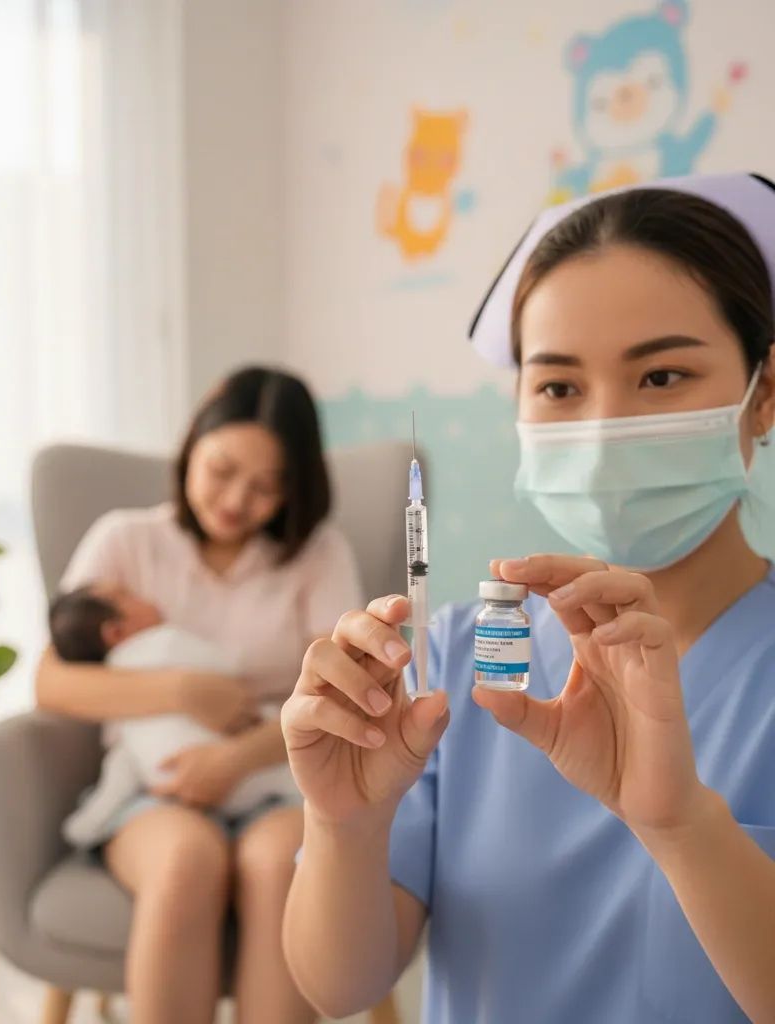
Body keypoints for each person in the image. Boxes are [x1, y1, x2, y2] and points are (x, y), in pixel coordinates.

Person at [282, 173, 775, 1024]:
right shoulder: (449, 665)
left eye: (661, 376)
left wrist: (686, 827)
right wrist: (342, 827)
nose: (600, 430)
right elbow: (339, 987)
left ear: (763, 395)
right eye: (557, 386)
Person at [36, 365, 362, 1024]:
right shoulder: (126, 539)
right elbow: (52, 682)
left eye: (265, 486)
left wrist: (235, 758)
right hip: (156, 791)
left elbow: (346, 696)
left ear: (295, 491)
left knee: (278, 867)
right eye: (221, 470)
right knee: (186, 859)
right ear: (191, 446)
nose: (236, 500)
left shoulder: (319, 555)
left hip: (276, 774)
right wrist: (186, 691)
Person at [47, 583, 299, 850]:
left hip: (161, 778)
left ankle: (89, 821)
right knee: (273, 733)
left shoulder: (111, 675)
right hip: (235, 776)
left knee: (121, 761)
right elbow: (226, 668)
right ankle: (298, 789)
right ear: (115, 631)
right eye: (128, 596)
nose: (143, 596)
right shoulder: (166, 641)